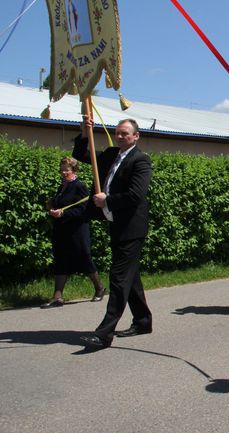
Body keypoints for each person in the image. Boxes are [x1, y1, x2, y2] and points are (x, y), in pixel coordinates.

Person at [75, 118, 153, 349]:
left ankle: (103, 333)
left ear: (136, 136)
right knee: (131, 276)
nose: (120, 137)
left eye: (125, 134)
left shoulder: (141, 160)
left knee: (119, 278)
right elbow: (82, 155)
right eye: (118, 133)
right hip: (116, 224)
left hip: (132, 228)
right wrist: (83, 132)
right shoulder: (110, 155)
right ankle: (143, 321)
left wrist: (107, 199)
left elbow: (135, 195)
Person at [41, 157, 105, 308]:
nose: (63, 172)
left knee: (84, 258)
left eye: (67, 170)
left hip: (77, 229)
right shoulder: (62, 186)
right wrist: (52, 208)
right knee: (61, 259)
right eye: (62, 169)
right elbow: (60, 204)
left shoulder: (79, 186)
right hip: (62, 230)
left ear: (74, 170)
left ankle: (99, 288)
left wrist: (64, 214)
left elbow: (83, 209)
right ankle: (57, 297)